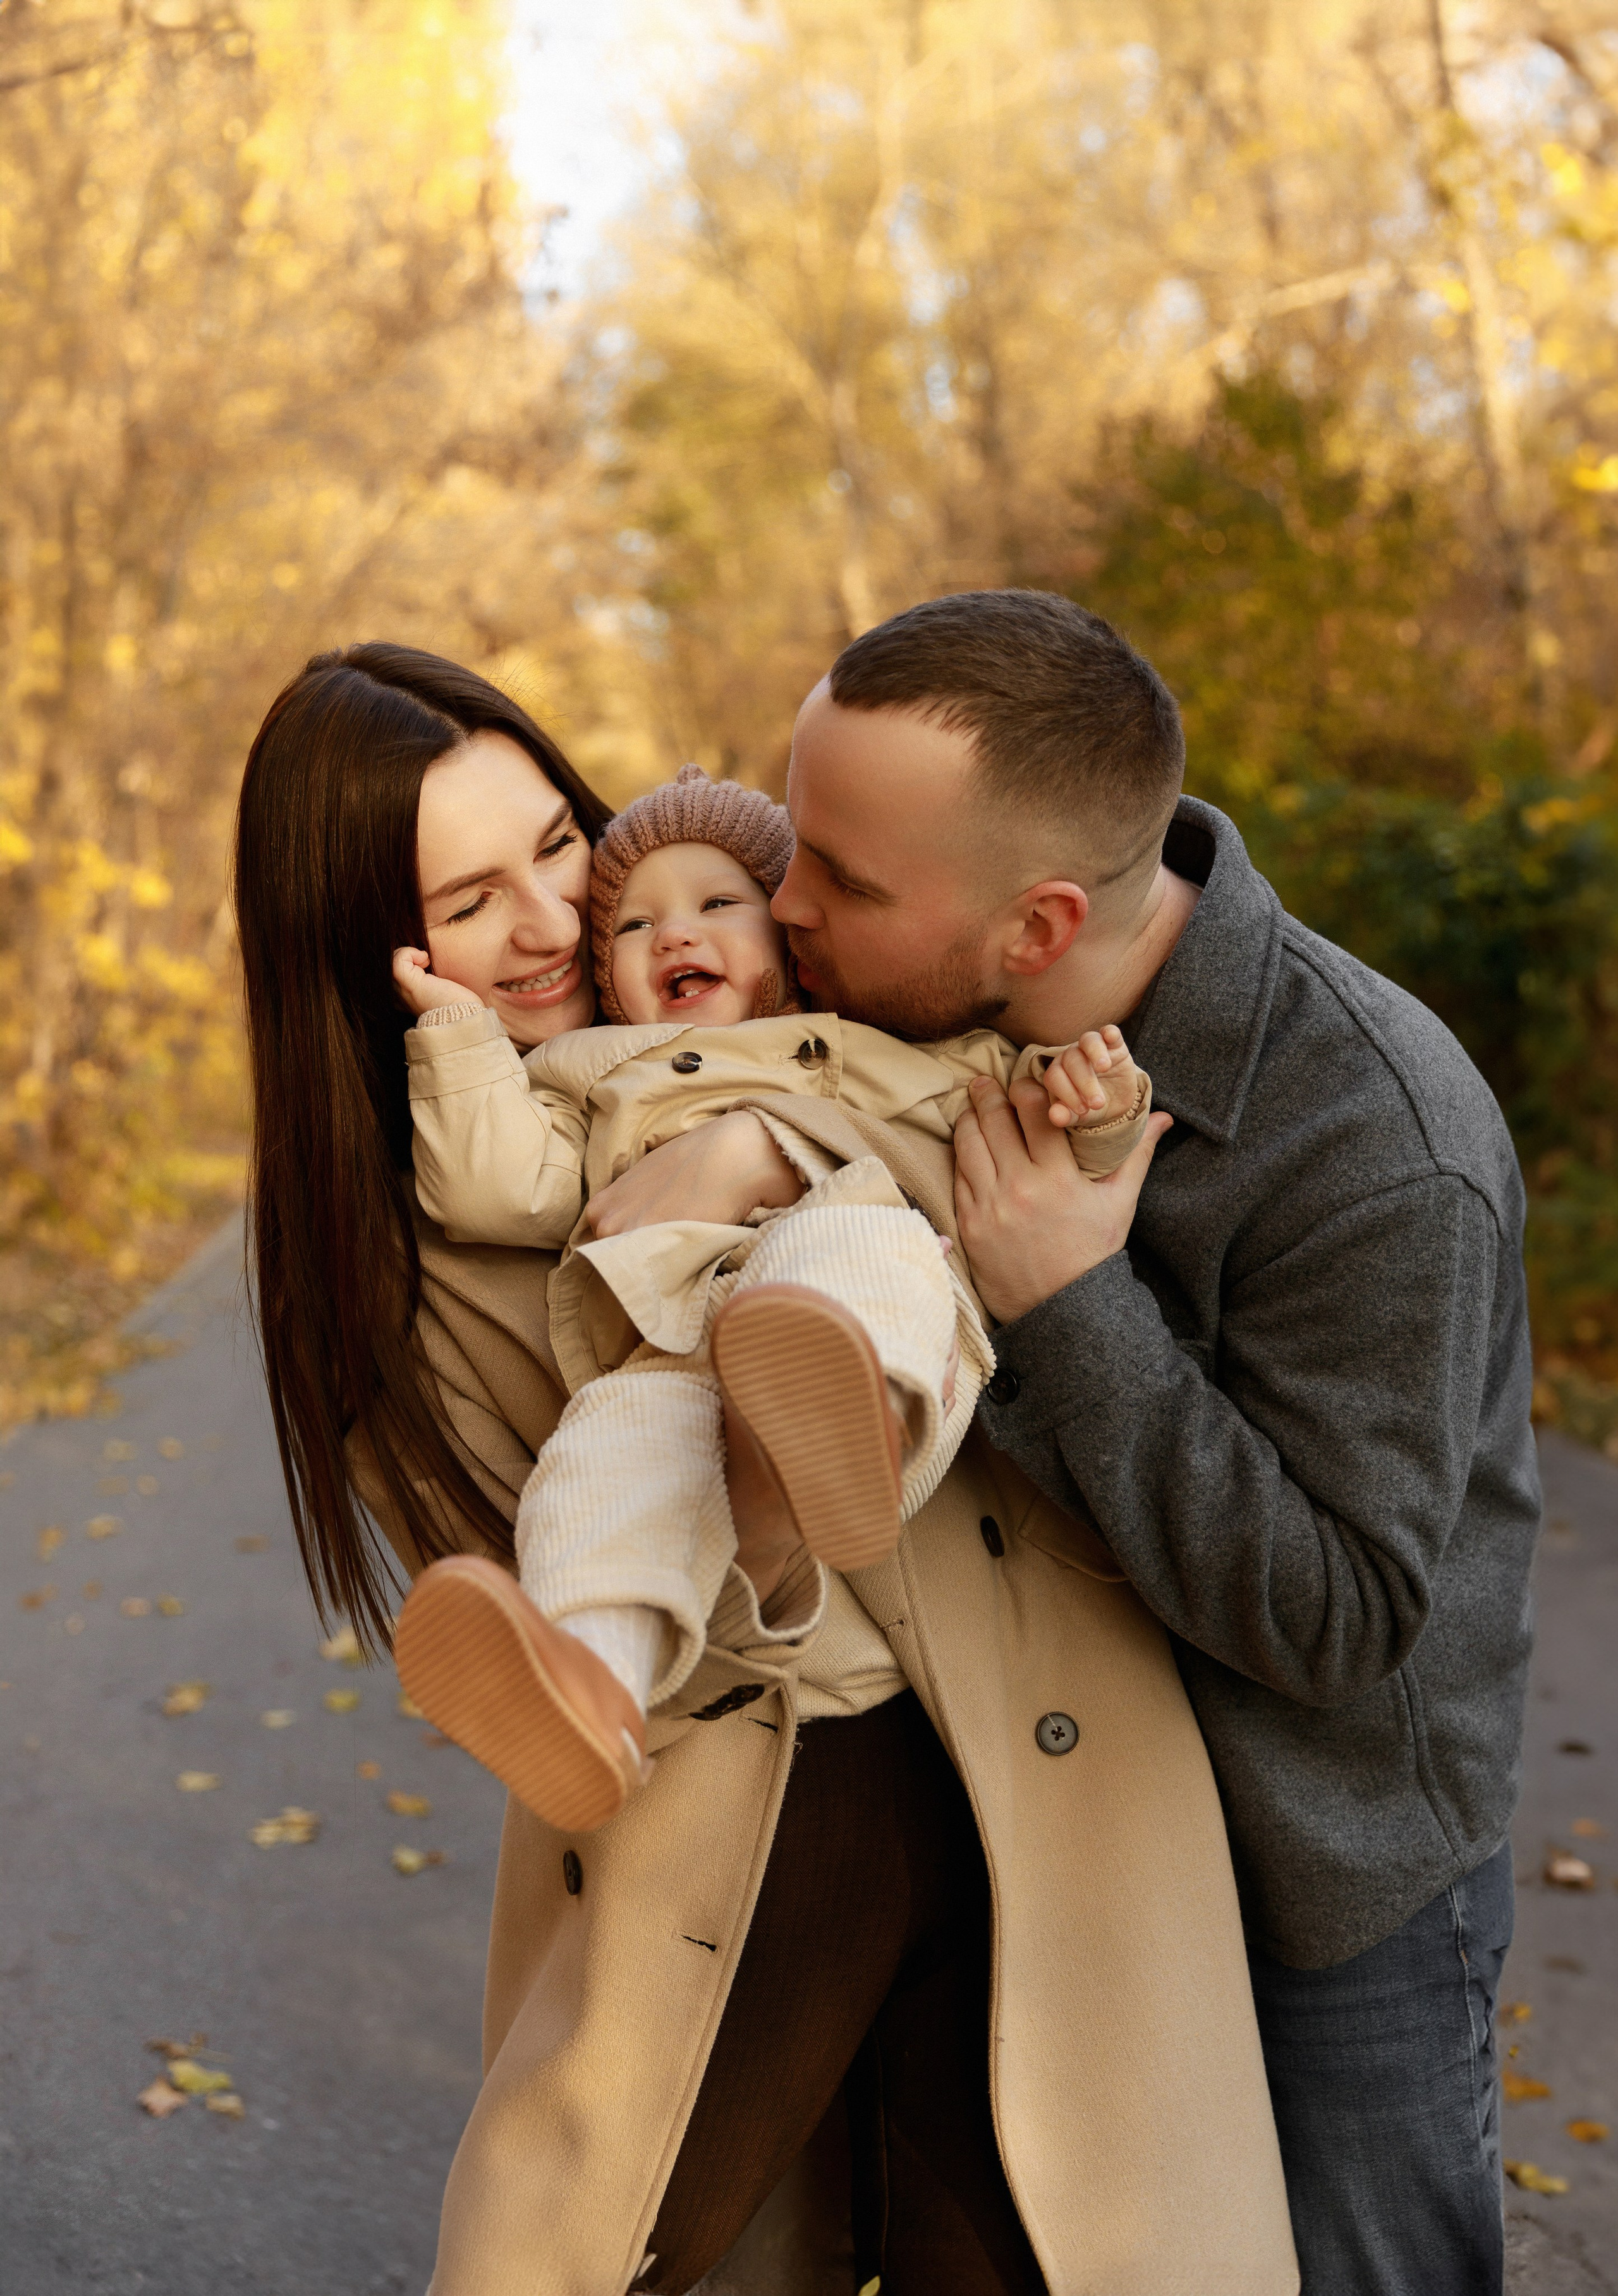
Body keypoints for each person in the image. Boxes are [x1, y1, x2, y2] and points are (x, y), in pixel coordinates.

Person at [233, 640, 1298, 2296]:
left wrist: (761, 1145)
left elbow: (964, 1099)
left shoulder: (769, 996)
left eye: (551, 849)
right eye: (463, 903)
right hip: (757, 1803)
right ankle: (790, 1493)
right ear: (368, 954)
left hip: (1019, 1778)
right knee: (683, 2243)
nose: (540, 927)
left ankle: (821, 1437)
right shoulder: (399, 1250)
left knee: (1019, 2235)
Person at [654, 584, 1528, 2296]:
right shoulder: (922, 1014)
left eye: (844, 877)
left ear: (1039, 923)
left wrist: (1069, 1303)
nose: (788, 899)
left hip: (1315, 1883)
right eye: (797, 834)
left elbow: (1342, 1621)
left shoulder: (1376, 1145)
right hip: (1035, 1830)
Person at [388, 760, 1148, 1831]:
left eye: (716, 904)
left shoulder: (866, 1045)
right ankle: (588, 1685)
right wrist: (457, 1031)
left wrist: (1100, 1102)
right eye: (635, 927)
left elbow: (1017, 1116)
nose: (675, 936)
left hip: (877, 1348)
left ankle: (844, 1413)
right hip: (679, 1353)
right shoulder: (595, 1074)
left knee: (860, 1242)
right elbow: (493, 1185)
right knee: (609, 1453)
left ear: (789, 931)